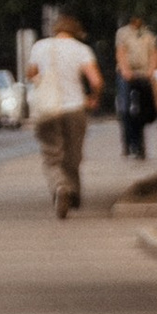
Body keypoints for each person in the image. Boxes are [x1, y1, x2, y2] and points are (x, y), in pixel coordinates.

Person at [26, 13, 106, 216]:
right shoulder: (81, 49)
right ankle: (74, 193)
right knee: (73, 155)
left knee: (52, 156)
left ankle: (60, 187)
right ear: (76, 32)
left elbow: (31, 74)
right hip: (75, 108)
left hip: (47, 110)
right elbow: (96, 81)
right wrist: (93, 98)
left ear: (56, 29)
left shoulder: (40, 47)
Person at [115, 11, 157, 165]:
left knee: (145, 112)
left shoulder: (148, 34)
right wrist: (125, 70)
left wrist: (151, 70)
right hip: (127, 74)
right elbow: (121, 52)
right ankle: (129, 143)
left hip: (144, 74)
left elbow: (154, 54)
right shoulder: (123, 33)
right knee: (126, 109)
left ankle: (139, 143)